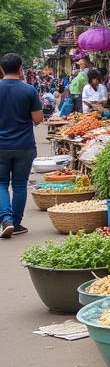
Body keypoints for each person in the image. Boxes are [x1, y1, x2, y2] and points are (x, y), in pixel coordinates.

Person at [0, 53, 44, 237]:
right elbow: (38, 119)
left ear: (1, 69)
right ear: (20, 69)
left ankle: (6, 219)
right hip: (24, 146)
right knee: (19, 185)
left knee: (1, 183)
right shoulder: (29, 90)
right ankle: (16, 224)